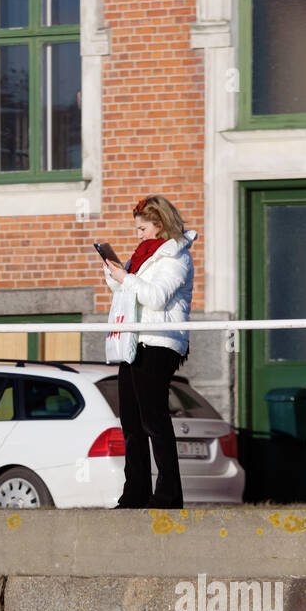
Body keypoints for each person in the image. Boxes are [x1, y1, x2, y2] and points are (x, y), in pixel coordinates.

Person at [101, 194, 198, 509]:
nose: (137, 234)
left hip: (160, 341)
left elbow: (155, 298)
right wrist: (115, 271)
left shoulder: (177, 257)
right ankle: (135, 493)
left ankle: (169, 495)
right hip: (133, 340)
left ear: (159, 225)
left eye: (142, 228)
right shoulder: (142, 255)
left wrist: (126, 277)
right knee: (130, 420)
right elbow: (124, 289)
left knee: (153, 418)